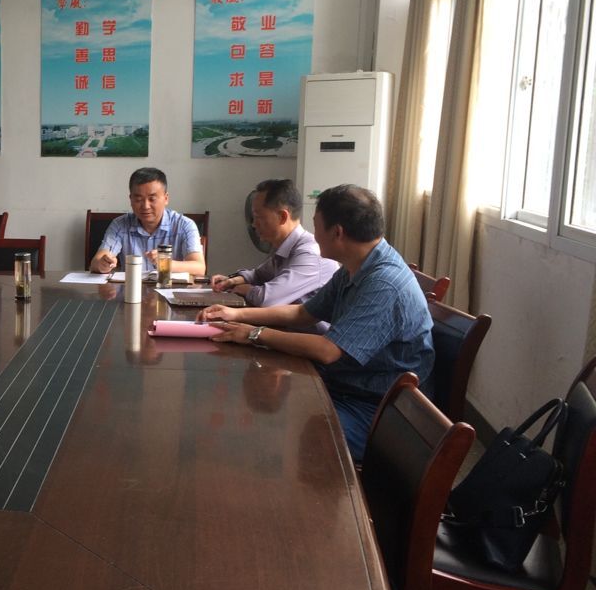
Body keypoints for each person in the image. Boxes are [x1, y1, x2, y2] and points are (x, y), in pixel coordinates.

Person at [197, 184, 433, 461]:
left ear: (337, 232)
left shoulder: (384, 283)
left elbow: (328, 350)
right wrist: (236, 315)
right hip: (346, 384)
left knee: (278, 429)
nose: (313, 234)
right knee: (259, 410)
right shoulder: (356, 265)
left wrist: (254, 334)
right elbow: (304, 313)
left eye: (316, 225)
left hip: (378, 408)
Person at [211, 178, 338, 314]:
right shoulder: (283, 246)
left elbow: (267, 299)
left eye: (258, 217)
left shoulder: (309, 254)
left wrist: (245, 289)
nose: (253, 224)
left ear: (282, 217)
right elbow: (258, 274)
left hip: (305, 328)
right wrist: (232, 281)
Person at [89, 167, 206, 276]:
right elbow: (95, 263)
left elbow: (199, 267)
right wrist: (103, 265)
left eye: (152, 199)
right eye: (138, 199)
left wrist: (166, 263)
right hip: (130, 289)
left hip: (170, 289)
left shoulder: (184, 225)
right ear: (130, 199)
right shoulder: (119, 225)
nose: (145, 206)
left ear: (166, 198)